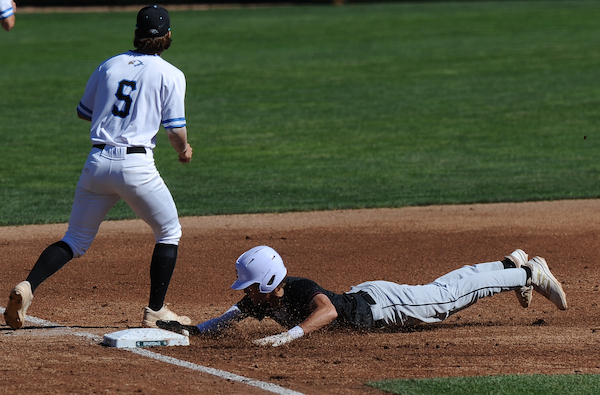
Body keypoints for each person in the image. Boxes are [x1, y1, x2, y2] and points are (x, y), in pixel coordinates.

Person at [4, 4, 193, 330]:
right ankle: (156, 311)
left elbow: (84, 111)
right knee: (168, 231)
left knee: (75, 240)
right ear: (168, 37)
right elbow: (175, 130)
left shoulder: (110, 64)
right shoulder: (171, 74)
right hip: (136, 168)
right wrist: (184, 149)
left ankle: (28, 286)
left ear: (136, 33)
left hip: (97, 163)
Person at [157, 245, 568, 347]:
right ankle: (508, 266)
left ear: (266, 282)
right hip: (370, 297)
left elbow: (329, 311)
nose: (245, 294)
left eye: (248, 286)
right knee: (442, 291)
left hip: (385, 307)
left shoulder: (297, 288)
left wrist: (287, 337)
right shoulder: (262, 301)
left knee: (443, 300)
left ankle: (525, 271)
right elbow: (226, 318)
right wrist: (191, 329)